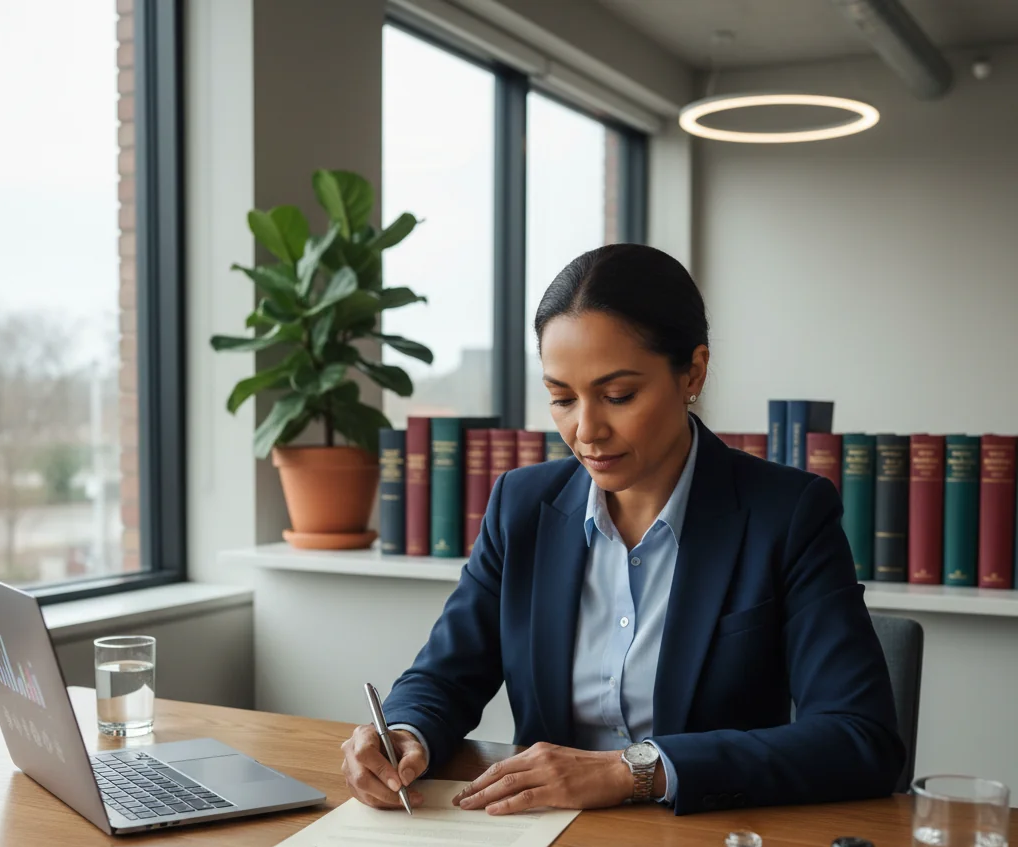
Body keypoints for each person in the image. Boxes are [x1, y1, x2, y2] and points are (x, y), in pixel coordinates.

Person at [342, 243, 904, 816]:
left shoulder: (787, 514)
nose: (586, 430)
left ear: (694, 371)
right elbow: (445, 675)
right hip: (540, 846)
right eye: (561, 398)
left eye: (618, 396)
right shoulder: (522, 505)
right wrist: (405, 732)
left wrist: (634, 770)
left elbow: (860, 738)